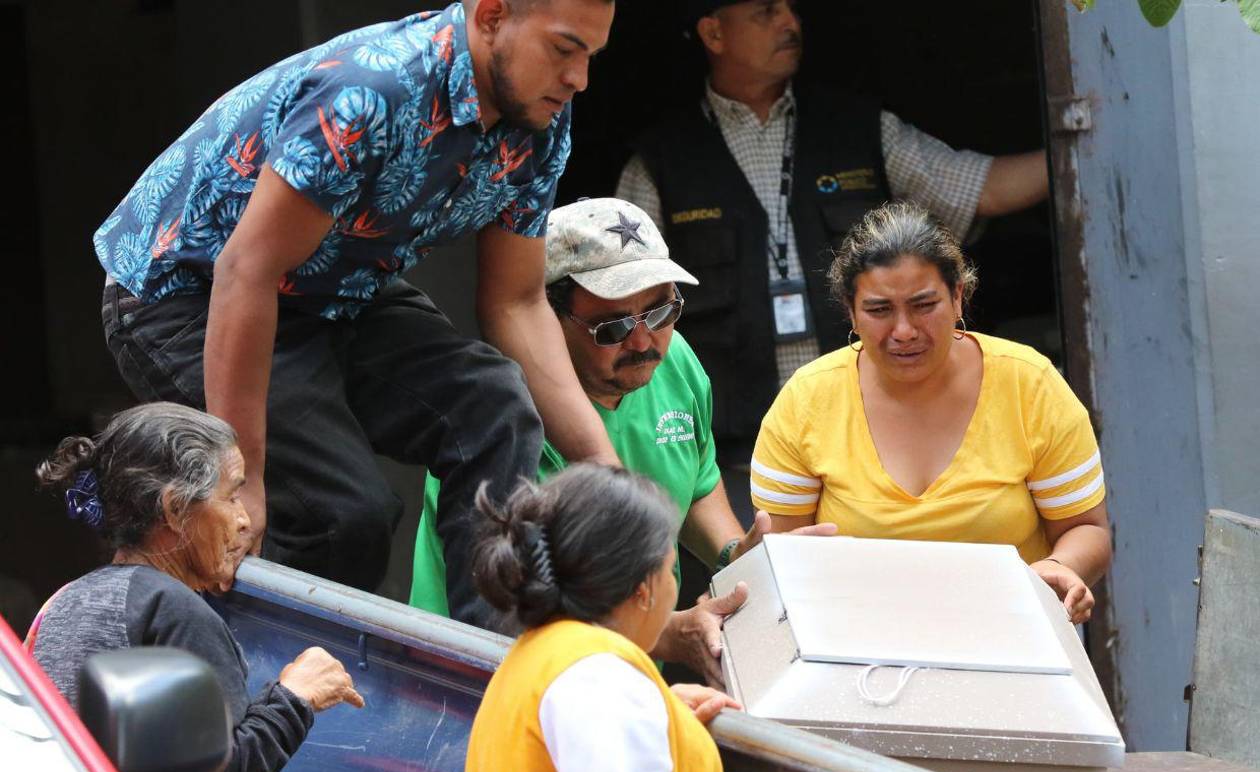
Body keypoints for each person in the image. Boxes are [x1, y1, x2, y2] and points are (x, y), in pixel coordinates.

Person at [95, 0, 617, 628]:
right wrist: (243, 480)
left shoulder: (539, 115)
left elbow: (517, 301)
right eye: (563, 50)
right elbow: (247, 271)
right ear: (491, 16)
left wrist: (606, 472)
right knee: (339, 515)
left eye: (592, 56)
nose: (579, 78)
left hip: (336, 289)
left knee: (494, 407)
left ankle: (492, 667)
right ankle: (276, 680)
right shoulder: (374, 90)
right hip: (190, 293)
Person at [616, 0, 1051, 514]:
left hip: (867, 458)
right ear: (714, 33)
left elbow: (984, 190)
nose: (790, 22)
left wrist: (1078, 142)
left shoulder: (857, 126)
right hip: (732, 465)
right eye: (766, 12)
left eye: (792, 9)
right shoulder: (662, 159)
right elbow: (625, 305)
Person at [410, 197, 834, 683]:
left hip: (620, 674)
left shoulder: (675, 363)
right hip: (477, 676)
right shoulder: (500, 419)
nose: (642, 342)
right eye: (611, 327)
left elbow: (694, 483)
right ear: (547, 321)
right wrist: (670, 633)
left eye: (660, 312)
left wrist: (740, 558)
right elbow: (526, 616)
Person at [31, 403, 365, 772]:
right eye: (231, 496)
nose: (245, 520)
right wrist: (297, 696)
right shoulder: (172, 607)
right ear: (174, 509)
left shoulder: (65, 602)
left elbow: (139, 762)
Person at [751, 202, 1110, 622]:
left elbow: (1086, 528)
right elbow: (777, 556)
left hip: (1011, 632)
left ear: (958, 296)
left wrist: (1059, 567)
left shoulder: (1029, 384)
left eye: (923, 305)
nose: (904, 331)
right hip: (855, 642)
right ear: (851, 310)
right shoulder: (806, 401)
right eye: (879, 310)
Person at [464, 463, 738, 772]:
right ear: (644, 588)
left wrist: (662, 714)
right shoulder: (600, 683)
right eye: (669, 568)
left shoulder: (541, 661)